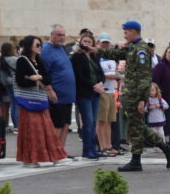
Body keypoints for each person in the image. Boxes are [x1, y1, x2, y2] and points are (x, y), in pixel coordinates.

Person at [95, 20, 170, 172]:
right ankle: (158, 151)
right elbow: (115, 53)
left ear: (133, 32)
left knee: (136, 127)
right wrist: (96, 49)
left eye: (126, 32)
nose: (125, 36)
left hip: (136, 95)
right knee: (137, 126)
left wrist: (142, 99)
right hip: (131, 94)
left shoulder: (141, 50)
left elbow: (145, 77)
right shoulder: (131, 47)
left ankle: (142, 158)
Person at [15, 35, 69, 167]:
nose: (40, 48)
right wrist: (34, 79)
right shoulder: (22, 60)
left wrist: (38, 77)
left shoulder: (40, 60)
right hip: (28, 100)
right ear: (29, 46)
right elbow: (20, 81)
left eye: (41, 45)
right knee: (31, 131)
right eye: (37, 45)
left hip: (40, 99)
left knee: (47, 129)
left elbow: (48, 79)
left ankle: (55, 156)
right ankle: (29, 159)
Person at [41, 24, 76, 155]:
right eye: (59, 35)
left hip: (67, 95)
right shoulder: (46, 50)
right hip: (56, 95)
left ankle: (61, 151)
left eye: (63, 35)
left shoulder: (61, 48)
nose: (62, 38)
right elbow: (45, 73)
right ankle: (53, 152)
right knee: (57, 125)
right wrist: (50, 90)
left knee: (66, 124)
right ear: (52, 35)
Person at [70, 33, 106, 161]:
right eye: (84, 41)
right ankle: (87, 150)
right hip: (84, 93)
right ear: (80, 42)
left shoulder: (94, 56)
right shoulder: (77, 57)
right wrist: (93, 86)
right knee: (88, 121)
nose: (87, 44)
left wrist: (100, 83)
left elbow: (101, 74)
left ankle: (93, 148)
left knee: (93, 122)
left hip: (95, 93)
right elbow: (79, 76)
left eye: (89, 42)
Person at [96, 33, 120, 156]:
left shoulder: (111, 58)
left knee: (109, 121)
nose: (105, 44)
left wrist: (116, 74)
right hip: (102, 90)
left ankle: (109, 145)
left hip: (111, 90)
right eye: (103, 42)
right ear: (99, 43)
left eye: (107, 42)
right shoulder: (97, 56)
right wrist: (107, 76)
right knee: (101, 120)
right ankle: (102, 146)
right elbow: (96, 73)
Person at [0, 42, 17, 129]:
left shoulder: (2, 59)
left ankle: (15, 124)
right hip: (15, 83)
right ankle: (17, 124)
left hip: (7, 84)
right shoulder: (14, 59)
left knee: (13, 104)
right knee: (17, 105)